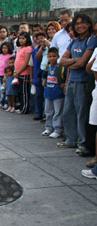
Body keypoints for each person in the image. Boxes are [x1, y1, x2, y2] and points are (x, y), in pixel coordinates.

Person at [59, 14, 97, 156]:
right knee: (68, 111)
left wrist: (74, 62)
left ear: (88, 24)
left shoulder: (91, 41)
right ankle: (70, 139)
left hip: (83, 81)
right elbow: (62, 61)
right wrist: (75, 61)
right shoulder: (74, 42)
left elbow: (84, 63)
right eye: (77, 24)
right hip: (72, 81)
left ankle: (82, 142)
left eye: (83, 23)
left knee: (82, 113)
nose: (80, 26)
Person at [42, 47, 65, 139]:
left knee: (58, 112)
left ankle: (58, 129)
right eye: (50, 56)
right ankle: (48, 127)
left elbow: (64, 79)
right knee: (48, 111)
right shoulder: (47, 67)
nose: (52, 58)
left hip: (58, 94)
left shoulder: (61, 68)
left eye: (54, 56)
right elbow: (44, 77)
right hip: (48, 93)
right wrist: (44, 80)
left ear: (58, 56)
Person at [14, 31, 33, 114]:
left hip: (25, 73)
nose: (21, 40)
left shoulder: (28, 48)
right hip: (18, 73)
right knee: (20, 91)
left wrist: (19, 72)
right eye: (20, 38)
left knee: (24, 92)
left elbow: (26, 62)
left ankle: (25, 108)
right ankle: (21, 106)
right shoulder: (19, 48)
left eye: (23, 38)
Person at [0, 42, 13, 109]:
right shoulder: (1, 56)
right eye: (3, 48)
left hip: (5, 75)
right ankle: (1, 101)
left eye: (6, 48)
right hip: (0, 74)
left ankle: (5, 102)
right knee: (1, 90)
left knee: (5, 90)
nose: (4, 49)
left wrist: (6, 76)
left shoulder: (9, 56)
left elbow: (9, 67)